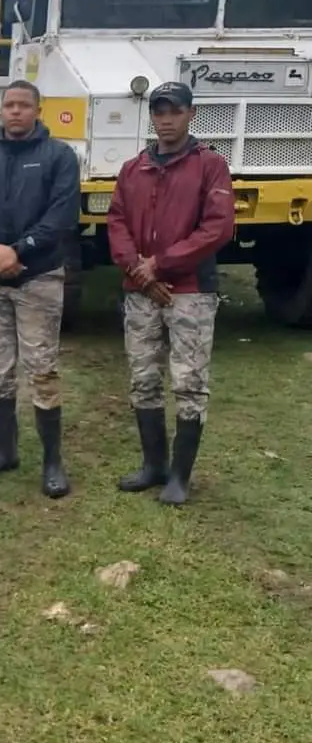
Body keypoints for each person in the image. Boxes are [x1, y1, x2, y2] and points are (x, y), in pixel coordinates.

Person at [107, 81, 234, 506]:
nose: (166, 120)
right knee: (143, 378)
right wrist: (141, 274)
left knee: (189, 382)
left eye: (174, 111)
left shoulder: (210, 165)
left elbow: (217, 228)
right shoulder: (133, 168)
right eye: (159, 112)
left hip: (191, 292)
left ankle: (180, 476)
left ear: (190, 114)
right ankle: (153, 465)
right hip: (141, 291)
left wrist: (160, 264)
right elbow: (117, 224)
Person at [0, 80, 80, 498]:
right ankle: (4, 451)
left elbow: (62, 215)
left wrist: (20, 250)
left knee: (41, 368)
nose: (15, 112)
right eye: (8, 105)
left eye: (23, 105)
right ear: (0, 110)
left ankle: (52, 462)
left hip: (38, 276)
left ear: (38, 111)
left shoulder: (59, 157)